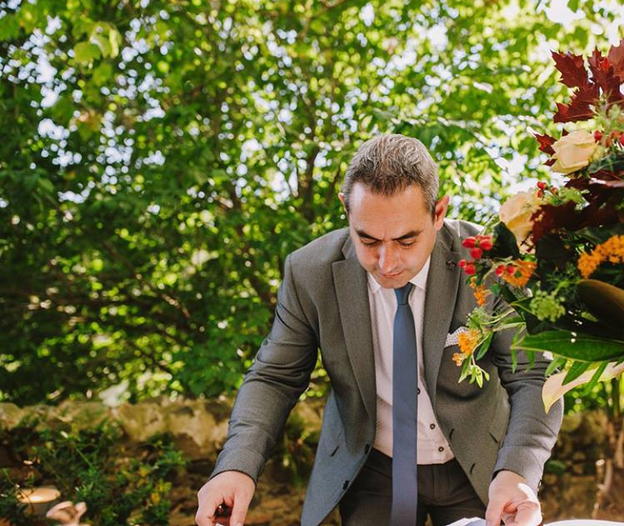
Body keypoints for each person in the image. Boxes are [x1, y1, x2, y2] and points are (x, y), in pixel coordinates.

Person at [195, 134, 563, 526]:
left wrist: (519, 471)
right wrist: (236, 467)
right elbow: (274, 377)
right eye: (367, 239)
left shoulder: (490, 261)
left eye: (406, 239)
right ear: (346, 210)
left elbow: (534, 375)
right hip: (373, 470)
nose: (387, 262)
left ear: (439, 214)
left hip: (479, 467)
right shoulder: (309, 273)